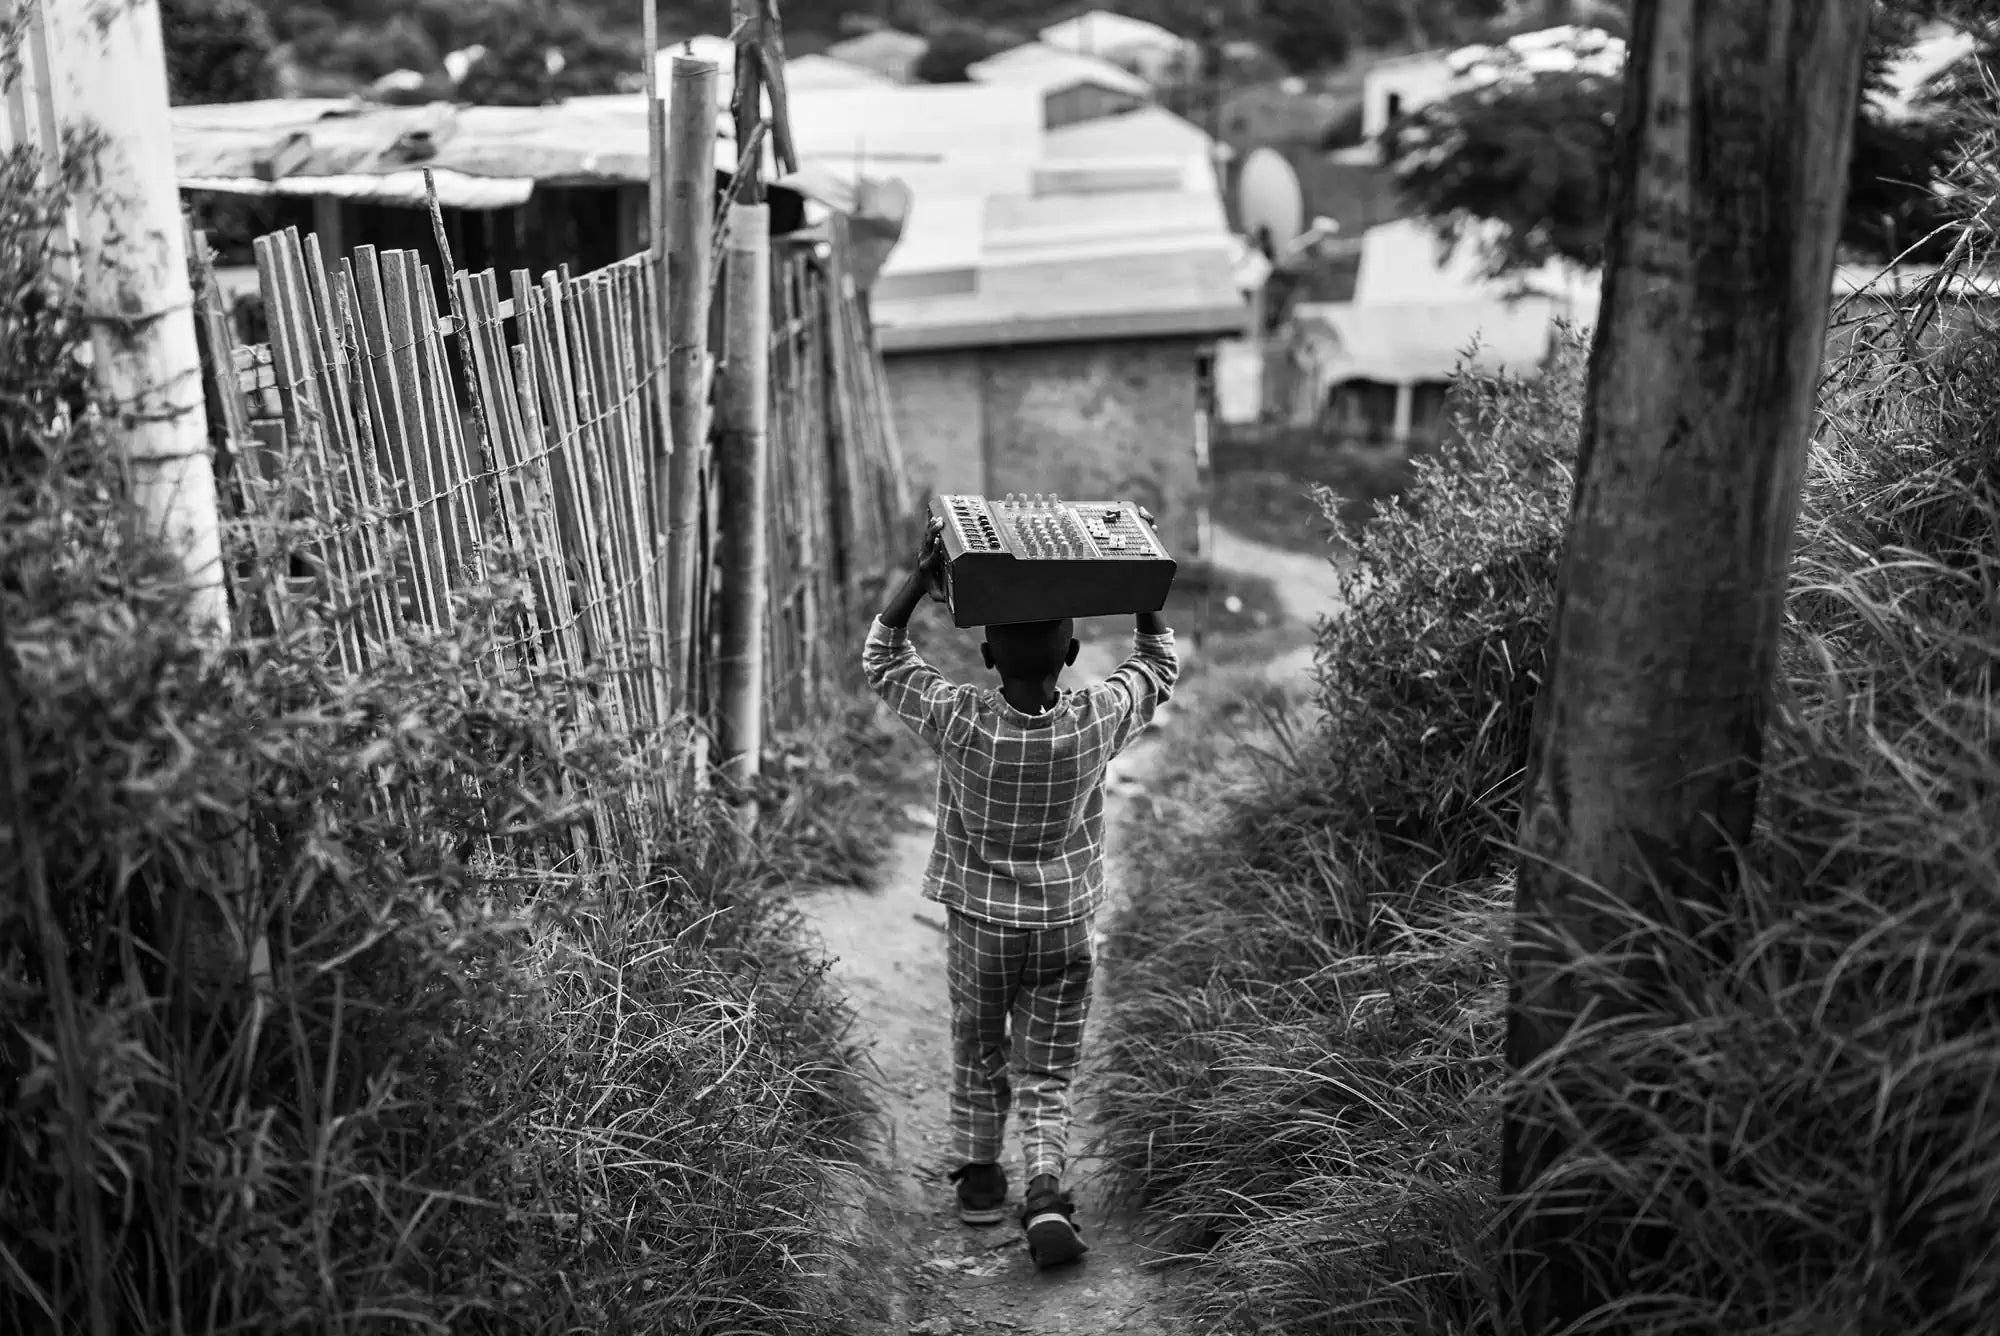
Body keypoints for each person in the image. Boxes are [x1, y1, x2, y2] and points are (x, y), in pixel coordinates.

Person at [861, 514, 1179, 1269]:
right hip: (1065, 922)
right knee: (1048, 1064)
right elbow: (1157, 663)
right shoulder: (1095, 719)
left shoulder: (960, 719)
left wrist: (921, 578)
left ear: (985, 655)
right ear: (1072, 653)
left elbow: (883, 657)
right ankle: (1044, 1188)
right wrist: (1140, 578)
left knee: (978, 1043)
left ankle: (980, 1177)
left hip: (982, 924)